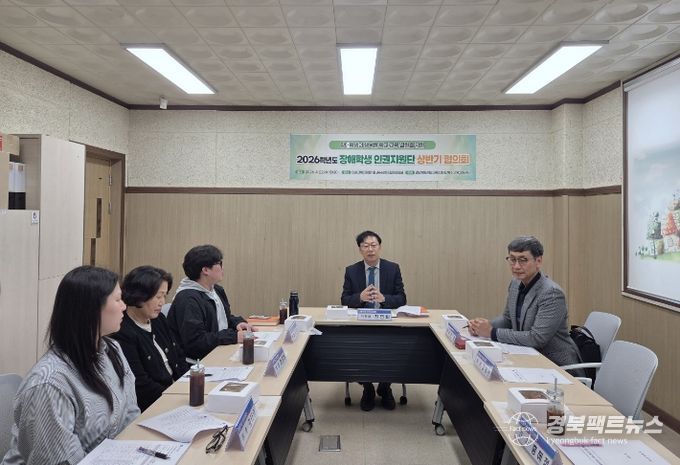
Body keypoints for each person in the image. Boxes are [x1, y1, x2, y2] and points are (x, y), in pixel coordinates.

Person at [2, 266, 140, 465]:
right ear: (91, 309)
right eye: (118, 299)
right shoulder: (50, 383)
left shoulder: (112, 350)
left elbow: (130, 412)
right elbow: (59, 462)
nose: (124, 307)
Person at [468, 236, 581, 367]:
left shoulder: (552, 293)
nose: (516, 266)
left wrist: (492, 332)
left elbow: (537, 338)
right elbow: (508, 319)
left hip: (556, 365)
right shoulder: (515, 283)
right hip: (526, 356)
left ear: (538, 261)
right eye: (512, 259)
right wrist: (482, 326)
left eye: (523, 260)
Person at [341, 230, 407, 411]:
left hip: (387, 324)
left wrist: (384, 298)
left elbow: (402, 299)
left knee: (394, 350)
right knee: (358, 351)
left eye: (373, 245)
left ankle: (385, 387)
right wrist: (360, 297)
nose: (370, 249)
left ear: (379, 247)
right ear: (360, 249)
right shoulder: (351, 271)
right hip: (361, 324)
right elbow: (344, 300)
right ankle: (368, 388)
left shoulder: (393, 268)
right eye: (366, 246)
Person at [113, 266, 189, 411]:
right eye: (158, 297)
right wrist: (177, 397)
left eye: (164, 296)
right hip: (155, 404)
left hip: (178, 393)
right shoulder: (123, 332)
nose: (162, 302)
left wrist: (189, 384)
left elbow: (178, 355)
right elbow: (141, 385)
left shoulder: (158, 319)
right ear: (139, 295)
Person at [167, 244, 256, 361]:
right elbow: (196, 342)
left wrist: (237, 323)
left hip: (217, 351)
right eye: (220, 264)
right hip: (196, 363)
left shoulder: (216, 290)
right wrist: (234, 337)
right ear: (205, 270)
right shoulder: (187, 299)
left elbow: (223, 318)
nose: (223, 268)